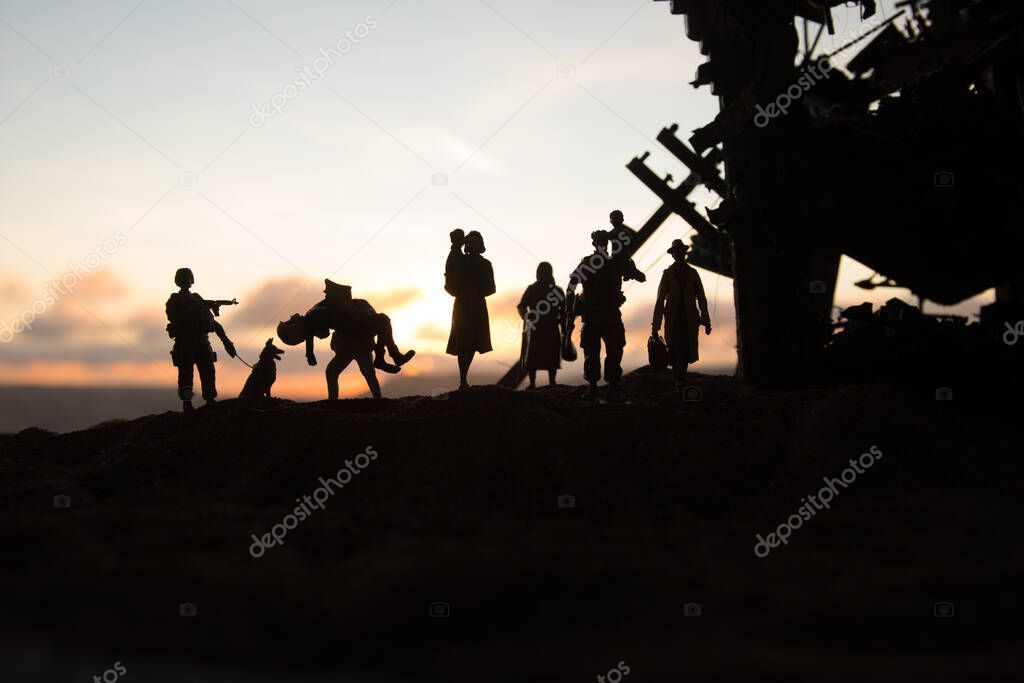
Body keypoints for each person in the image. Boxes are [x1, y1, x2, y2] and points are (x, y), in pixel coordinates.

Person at [277, 280, 415, 400]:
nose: (292, 316)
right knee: (357, 371)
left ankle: (384, 361)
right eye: (290, 322)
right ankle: (385, 360)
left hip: (354, 333)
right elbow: (312, 332)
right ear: (295, 331)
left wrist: (310, 354)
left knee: (360, 372)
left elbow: (313, 332)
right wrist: (310, 354)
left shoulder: (313, 314)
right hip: (354, 333)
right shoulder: (313, 316)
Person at [566, 230, 645, 403]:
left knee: (611, 351)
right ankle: (599, 388)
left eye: (603, 241)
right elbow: (571, 285)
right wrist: (571, 308)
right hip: (600, 315)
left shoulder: (600, 263)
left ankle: (608, 388)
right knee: (597, 352)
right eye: (600, 241)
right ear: (596, 244)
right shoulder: (607, 263)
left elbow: (571, 287)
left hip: (603, 315)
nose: (602, 244)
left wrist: (571, 308)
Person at [165, 267, 236, 412]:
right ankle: (187, 403)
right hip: (185, 343)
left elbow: (213, 323)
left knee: (208, 371)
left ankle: (210, 399)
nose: (187, 281)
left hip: (202, 342)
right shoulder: (175, 300)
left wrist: (226, 341)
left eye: (188, 278)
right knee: (186, 375)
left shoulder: (197, 299)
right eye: (184, 278)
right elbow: (175, 319)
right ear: (178, 281)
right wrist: (193, 309)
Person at [652, 239, 711, 392]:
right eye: (676, 252)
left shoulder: (693, 274)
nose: (678, 254)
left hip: (690, 318)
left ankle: (681, 377)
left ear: (684, 253)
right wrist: (655, 325)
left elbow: (702, 298)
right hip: (673, 318)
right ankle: (678, 378)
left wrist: (706, 320)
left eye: (680, 252)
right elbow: (659, 301)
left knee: (685, 347)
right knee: (674, 347)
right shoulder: (667, 274)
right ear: (673, 255)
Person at [446, 230, 495, 389]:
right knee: (463, 342)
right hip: (462, 306)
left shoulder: (486, 264)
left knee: (474, 342)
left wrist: (478, 291)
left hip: (478, 306)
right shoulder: (461, 260)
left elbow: (492, 288)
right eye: (471, 242)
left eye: (476, 242)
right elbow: (451, 274)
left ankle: (463, 378)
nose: (473, 245)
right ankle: (462, 379)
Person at [517, 262, 565, 389]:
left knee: (552, 355)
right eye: (541, 272)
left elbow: (564, 309)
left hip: (551, 326)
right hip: (535, 328)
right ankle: (532, 383)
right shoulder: (532, 289)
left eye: (545, 272)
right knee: (533, 356)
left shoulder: (557, 290)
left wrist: (562, 321)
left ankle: (552, 381)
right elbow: (521, 306)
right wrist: (526, 317)